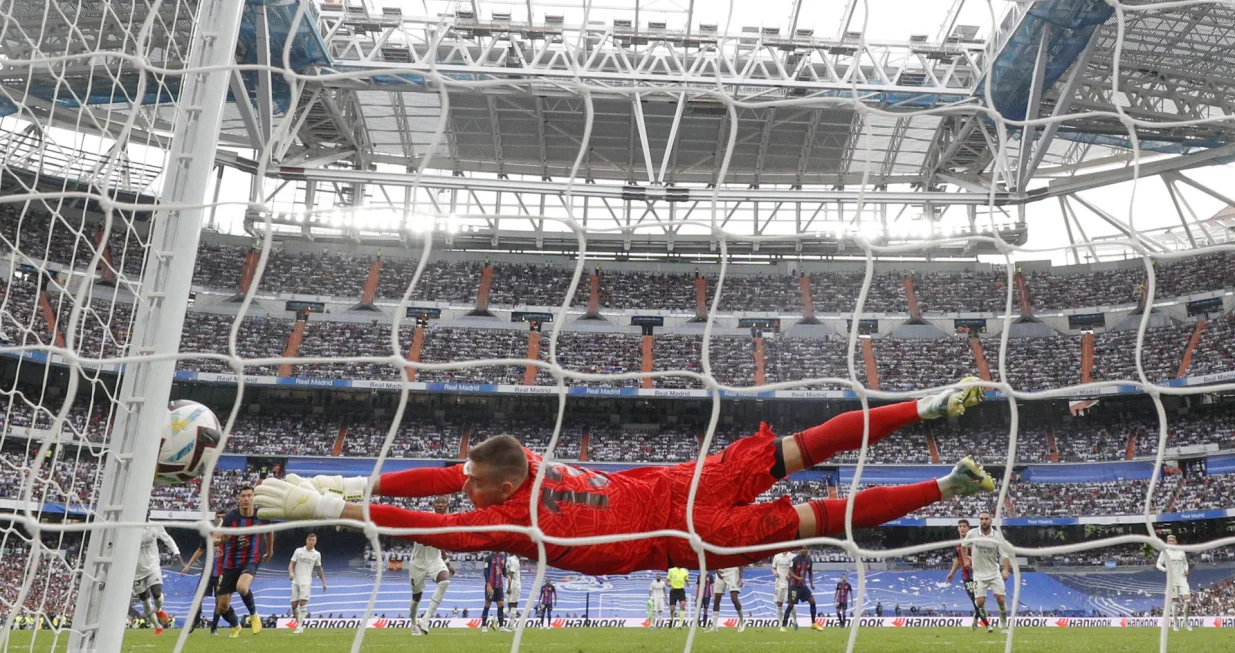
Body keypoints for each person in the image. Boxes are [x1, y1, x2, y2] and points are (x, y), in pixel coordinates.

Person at [255, 383, 993, 575]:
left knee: (822, 516)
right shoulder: (527, 462)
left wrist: (338, 506)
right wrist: (364, 485)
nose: (462, 486)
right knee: (799, 449)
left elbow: (431, 523)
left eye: (470, 482)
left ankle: (943, 485)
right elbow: (436, 482)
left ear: (494, 481)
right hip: (681, 481)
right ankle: (918, 410)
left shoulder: (514, 520)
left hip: (684, 533)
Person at [215, 486, 274, 638]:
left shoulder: (262, 515)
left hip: (251, 559)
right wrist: (222, 538)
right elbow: (217, 538)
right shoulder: (230, 518)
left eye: (249, 495)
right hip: (231, 563)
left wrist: (270, 551)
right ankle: (236, 625)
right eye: (243, 496)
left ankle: (254, 616)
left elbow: (270, 531)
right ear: (238, 499)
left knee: (242, 587)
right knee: (222, 607)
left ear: (253, 497)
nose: (246, 499)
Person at [409, 497, 454, 636]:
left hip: (434, 559)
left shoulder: (448, 522)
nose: (440, 505)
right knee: (417, 597)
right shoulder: (425, 518)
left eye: (443, 503)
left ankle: (426, 619)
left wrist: (447, 564)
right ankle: (413, 623)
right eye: (438, 503)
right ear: (433, 505)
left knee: (445, 580)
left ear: (447, 505)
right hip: (418, 561)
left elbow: (441, 545)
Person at [133, 517, 184, 636]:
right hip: (136, 571)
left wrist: (176, 552)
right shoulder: (131, 527)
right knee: (145, 601)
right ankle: (158, 626)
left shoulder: (155, 525)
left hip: (153, 567)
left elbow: (167, 539)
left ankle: (159, 610)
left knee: (156, 593)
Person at [962, 511, 1011, 633]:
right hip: (978, 574)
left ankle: (1004, 626)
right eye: (982, 519)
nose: (984, 521)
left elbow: (1004, 554)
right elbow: (963, 546)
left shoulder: (997, 536)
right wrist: (965, 560)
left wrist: (1005, 569)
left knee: (1000, 599)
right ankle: (978, 614)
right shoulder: (972, 533)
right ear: (979, 520)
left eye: (986, 519)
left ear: (991, 520)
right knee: (980, 603)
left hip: (994, 573)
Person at [181, 511, 225, 634]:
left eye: (223, 517)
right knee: (198, 597)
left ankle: (214, 627)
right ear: (215, 519)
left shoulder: (231, 533)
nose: (221, 519)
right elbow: (200, 550)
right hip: (208, 571)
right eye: (218, 517)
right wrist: (188, 565)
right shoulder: (209, 533)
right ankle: (196, 620)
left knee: (219, 601)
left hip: (222, 572)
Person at [945, 519, 986, 630]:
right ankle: (985, 623)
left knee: (981, 599)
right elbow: (958, 560)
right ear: (958, 529)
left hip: (979, 574)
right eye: (960, 526)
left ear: (968, 528)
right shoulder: (958, 545)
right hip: (967, 576)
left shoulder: (975, 541)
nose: (962, 528)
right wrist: (951, 573)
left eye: (964, 526)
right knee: (974, 599)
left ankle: (977, 617)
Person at [288, 533, 326, 635]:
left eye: (313, 540)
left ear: (316, 541)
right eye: (310, 540)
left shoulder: (317, 554)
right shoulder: (298, 551)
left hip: (306, 581)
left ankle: (299, 627)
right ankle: (298, 624)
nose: (311, 542)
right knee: (294, 605)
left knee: (302, 603)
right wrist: (291, 573)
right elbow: (291, 564)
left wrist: (323, 582)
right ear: (306, 540)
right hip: (295, 581)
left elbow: (319, 569)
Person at [780, 547, 823, 632]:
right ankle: (783, 626)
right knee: (791, 605)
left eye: (804, 548)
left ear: (807, 550)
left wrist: (811, 583)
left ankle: (813, 623)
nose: (802, 550)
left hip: (803, 586)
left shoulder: (809, 560)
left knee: (812, 602)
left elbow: (810, 572)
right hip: (794, 585)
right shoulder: (795, 559)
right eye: (801, 549)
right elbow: (790, 572)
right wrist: (798, 578)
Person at [1157, 534, 1192, 632]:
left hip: (1182, 579)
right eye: (1169, 541)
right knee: (1175, 603)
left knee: (1188, 601)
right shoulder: (1164, 552)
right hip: (1172, 581)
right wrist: (1165, 569)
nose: (1171, 542)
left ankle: (1186, 621)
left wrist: (1186, 569)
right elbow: (1158, 564)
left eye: (1173, 540)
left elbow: (1185, 563)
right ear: (1167, 542)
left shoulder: (1181, 551)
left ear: (1176, 542)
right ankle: (1175, 623)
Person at [707, 567, 745, 633]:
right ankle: (714, 626)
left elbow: (740, 562)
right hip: (720, 572)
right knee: (716, 600)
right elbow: (714, 559)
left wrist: (740, 577)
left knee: (734, 599)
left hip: (732, 572)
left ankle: (742, 622)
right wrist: (716, 570)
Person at [481, 551, 509, 632]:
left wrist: (507, 575)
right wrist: (488, 584)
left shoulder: (504, 557)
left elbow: (503, 570)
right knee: (487, 603)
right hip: (491, 586)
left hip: (499, 586)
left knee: (501, 604)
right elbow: (486, 572)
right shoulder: (489, 558)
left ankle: (501, 626)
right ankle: (483, 626)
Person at [771, 550, 796, 627]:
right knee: (779, 603)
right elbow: (773, 567)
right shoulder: (776, 556)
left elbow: (796, 569)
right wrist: (775, 573)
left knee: (790, 603)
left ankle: (795, 621)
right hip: (779, 584)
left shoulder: (793, 556)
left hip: (789, 584)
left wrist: (791, 575)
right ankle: (780, 623)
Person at [506, 554, 523, 619]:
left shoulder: (509, 559)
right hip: (514, 585)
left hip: (509, 584)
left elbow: (507, 573)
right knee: (514, 605)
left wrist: (508, 586)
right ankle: (511, 625)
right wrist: (509, 587)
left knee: (510, 605)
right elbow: (511, 575)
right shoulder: (515, 561)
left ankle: (497, 618)